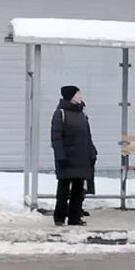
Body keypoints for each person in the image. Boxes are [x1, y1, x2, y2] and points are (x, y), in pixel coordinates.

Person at [51, 85, 97, 227]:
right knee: (64, 189)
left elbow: (88, 137)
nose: (80, 96)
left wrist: (92, 152)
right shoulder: (61, 113)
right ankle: (59, 217)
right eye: (77, 94)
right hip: (67, 158)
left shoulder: (82, 114)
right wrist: (60, 156)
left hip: (81, 157)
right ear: (70, 96)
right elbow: (56, 137)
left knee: (78, 189)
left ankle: (74, 217)